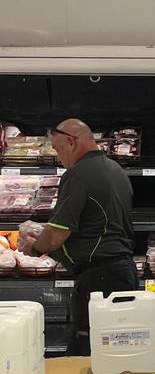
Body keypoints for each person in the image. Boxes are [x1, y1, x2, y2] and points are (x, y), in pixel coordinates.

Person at [17, 119, 138, 356]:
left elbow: (57, 234)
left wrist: (33, 247)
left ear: (71, 142)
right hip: (122, 272)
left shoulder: (79, 174)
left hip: (99, 279)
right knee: (117, 349)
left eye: (57, 148)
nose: (57, 154)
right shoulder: (114, 169)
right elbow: (93, 224)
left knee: (88, 352)